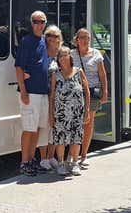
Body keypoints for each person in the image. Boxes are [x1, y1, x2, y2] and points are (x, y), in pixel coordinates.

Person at [15, 11, 50, 176]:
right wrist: (23, 91)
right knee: (28, 128)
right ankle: (24, 162)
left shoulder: (45, 41)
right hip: (30, 93)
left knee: (37, 128)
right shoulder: (26, 42)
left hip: (43, 92)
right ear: (31, 23)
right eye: (36, 21)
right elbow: (19, 68)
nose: (39, 24)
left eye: (42, 21)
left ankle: (31, 160)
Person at [49, 46, 90, 176]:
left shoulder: (79, 72)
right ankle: (61, 164)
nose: (63, 58)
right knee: (60, 138)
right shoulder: (56, 75)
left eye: (65, 55)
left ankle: (74, 163)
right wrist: (51, 115)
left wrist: (87, 110)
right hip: (60, 113)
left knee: (76, 138)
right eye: (60, 56)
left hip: (77, 112)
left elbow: (86, 91)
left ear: (70, 57)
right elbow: (52, 96)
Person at [74, 28, 109, 168]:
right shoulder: (71, 54)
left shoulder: (96, 54)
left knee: (88, 123)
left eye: (87, 37)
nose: (85, 40)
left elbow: (102, 75)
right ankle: (74, 155)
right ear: (77, 39)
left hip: (92, 92)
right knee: (76, 123)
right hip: (75, 93)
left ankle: (84, 155)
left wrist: (105, 92)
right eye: (82, 37)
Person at [38, 24, 63, 172]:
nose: (52, 39)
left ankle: (51, 155)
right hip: (44, 94)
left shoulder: (62, 53)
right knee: (44, 126)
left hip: (59, 96)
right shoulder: (41, 52)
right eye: (49, 35)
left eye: (55, 36)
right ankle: (43, 158)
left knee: (55, 126)